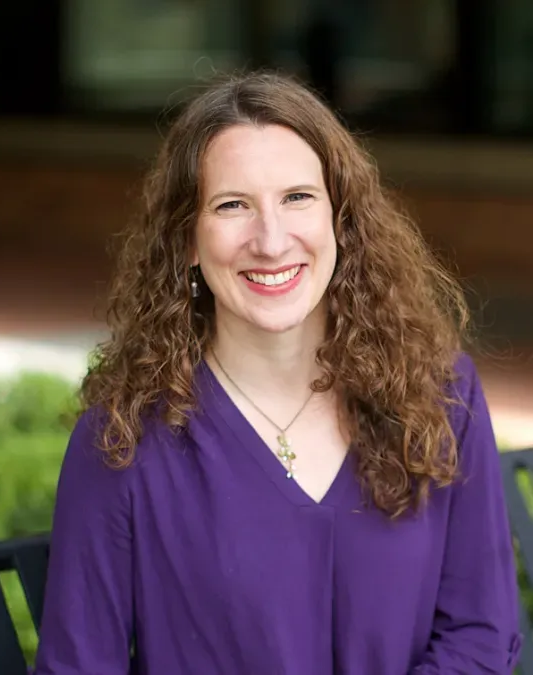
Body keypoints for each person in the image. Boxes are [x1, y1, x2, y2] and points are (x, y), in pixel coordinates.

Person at [32, 71, 522, 674]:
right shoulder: (125, 442)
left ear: (341, 220)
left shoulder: (440, 394)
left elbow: (480, 634)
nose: (270, 240)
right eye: (232, 205)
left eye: (297, 198)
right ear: (186, 239)